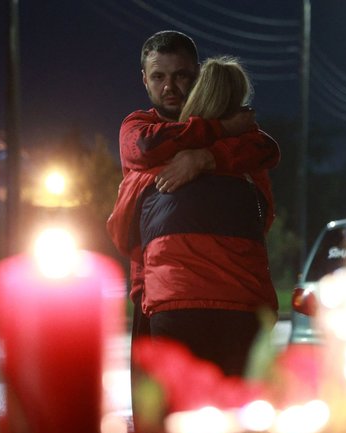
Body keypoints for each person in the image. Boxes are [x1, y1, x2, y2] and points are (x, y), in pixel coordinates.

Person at [107, 31, 279, 378]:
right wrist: (218, 129)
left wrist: (204, 158)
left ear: (197, 74)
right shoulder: (141, 127)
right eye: (158, 76)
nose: (169, 86)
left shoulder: (240, 135)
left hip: (191, 297)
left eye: (180, 75)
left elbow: (267, 149)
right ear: (144, 79)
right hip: (156, 294)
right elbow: (145, 146)